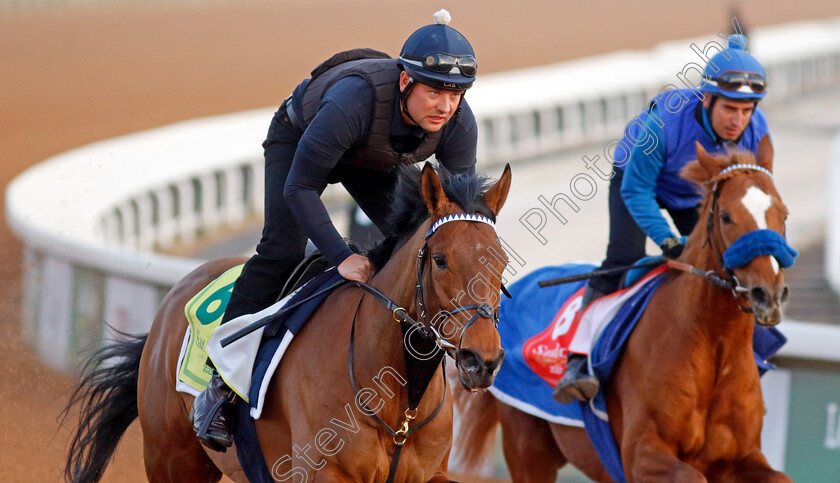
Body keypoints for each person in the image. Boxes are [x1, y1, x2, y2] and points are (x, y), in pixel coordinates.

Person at [189, 9, 480, 451]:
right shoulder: (353, 101)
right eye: (436, 91)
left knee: (411, 248)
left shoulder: (459, 123)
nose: (446, 106)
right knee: (281, 248)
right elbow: (300, 187)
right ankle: (220, 384)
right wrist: (341, 255)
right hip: (299, 140)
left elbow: (451, 222)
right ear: (405, 81)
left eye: (456, 94)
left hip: (373, 160)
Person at [553, 34, 771, 404]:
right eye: (730, 109)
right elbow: (637, 192)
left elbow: (754, 196)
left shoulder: (756, 129)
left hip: (694, 194)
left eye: (746, 110)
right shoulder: (664, 124)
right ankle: (577, 360)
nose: (738, 121)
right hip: (637, 181)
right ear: (707, 98)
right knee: (623, 258)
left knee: (730, 262)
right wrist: (669, 241)